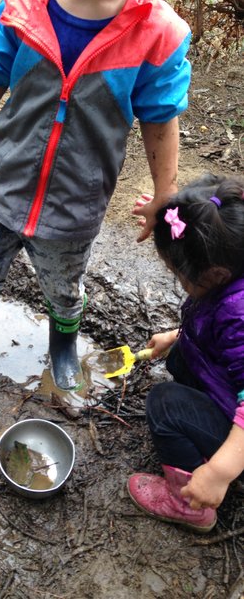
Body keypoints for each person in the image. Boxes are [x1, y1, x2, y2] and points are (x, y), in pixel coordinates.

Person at [0, 0, 192, 390]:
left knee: (64, 290)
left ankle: (62, 347)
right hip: (3, 188)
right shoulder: (19, 11)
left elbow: (161, 117)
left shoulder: (155, 34)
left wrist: (165, 193)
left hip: (74, 204)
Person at [128, 173, 244, 533]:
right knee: (180, 356)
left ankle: (189, 505)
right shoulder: (230, 279)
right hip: (225, 384)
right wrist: (179, 335)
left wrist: (219, 472)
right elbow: (220, 334)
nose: (177, 278)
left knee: (163, 403)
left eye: (179, 273)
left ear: (216, 274)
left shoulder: (238, 314)